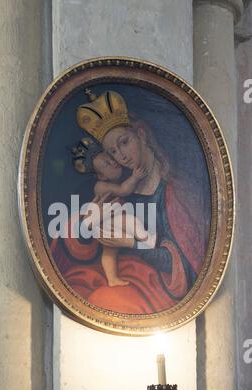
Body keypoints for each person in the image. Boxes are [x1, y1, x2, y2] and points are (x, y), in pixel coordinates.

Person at [51, 89, 205, 314]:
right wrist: (87, 221)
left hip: (155, 285)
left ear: (141, 134)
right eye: (112, 151)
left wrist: (131, 244)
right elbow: (80, 243)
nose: (121, 156)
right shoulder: (122, 189)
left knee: (108, 301)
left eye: (124, 142)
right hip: (124, 277)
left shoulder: (174, 193)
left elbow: (183, 266)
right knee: (95, 297)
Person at [71, 137, 155, 287]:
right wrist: (135, 178)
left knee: (110, 251)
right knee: (132, 222)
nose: (113, 162)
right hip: (106, 219)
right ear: (101, 175)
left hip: (107, 222)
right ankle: (148, 240)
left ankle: (112, 279)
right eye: (107, 164)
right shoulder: (101, 186)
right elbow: (123, 190)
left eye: (111, 158)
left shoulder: (111, 180)